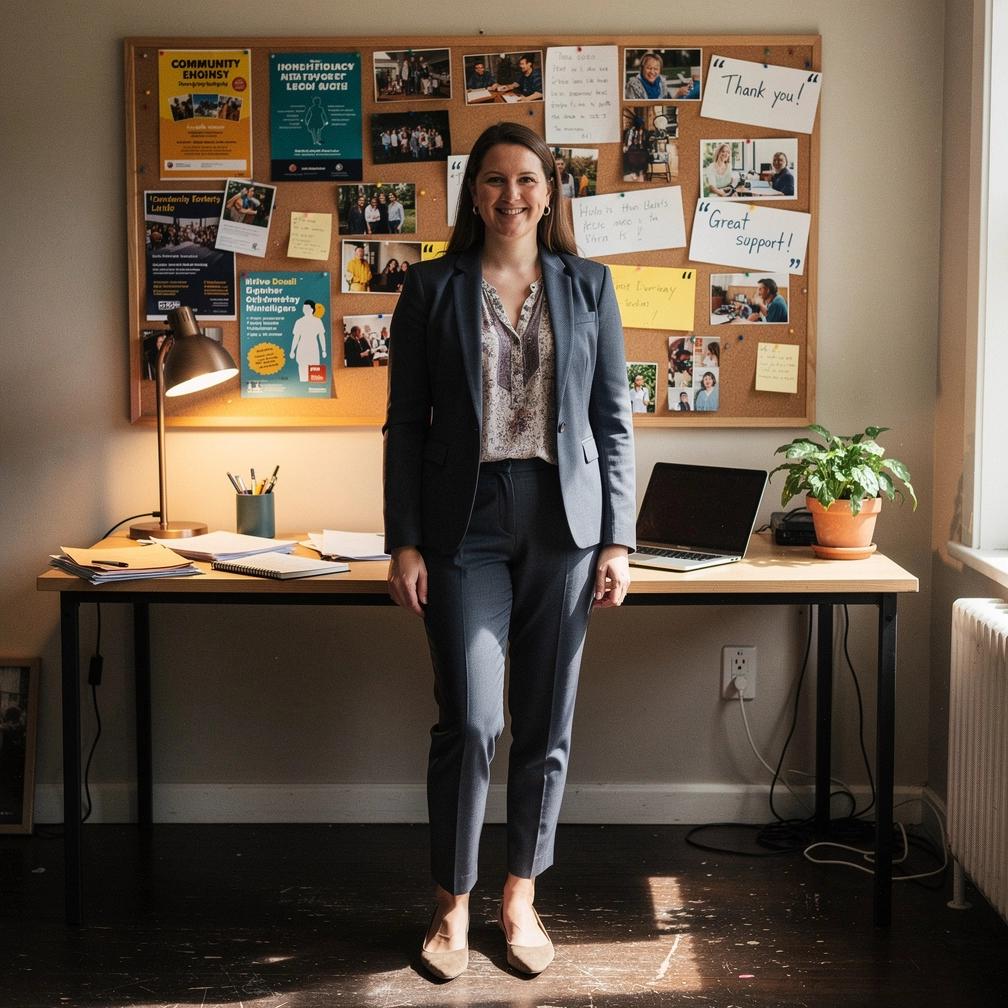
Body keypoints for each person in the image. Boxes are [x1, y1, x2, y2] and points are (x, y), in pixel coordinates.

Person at [384, 121, 635, 982]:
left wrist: (618, 539)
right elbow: (404, 426)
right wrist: (405, 540)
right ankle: (451, 907)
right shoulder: (430, 288)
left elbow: (612, 424)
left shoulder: (591, 286)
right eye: (494, 180)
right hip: (464, 524)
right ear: (473, 193)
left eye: (527, 178)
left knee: (547, 720)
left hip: (564, 526)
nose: (511, 195)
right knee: (474, 717)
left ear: (549, 191)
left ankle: (519, 898)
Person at [290, 299, 326, 382]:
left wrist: (324, 350)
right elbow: (296, 337)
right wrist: (292, 350)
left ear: (312, 310)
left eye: (306, 308)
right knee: (302, 372)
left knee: (315, 373)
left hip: (313, 349)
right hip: (302, 349)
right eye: (304, 308)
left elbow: (321, 336)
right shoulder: (299, 322)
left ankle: (315, 390)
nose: (304, 310)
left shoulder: (318, 321)